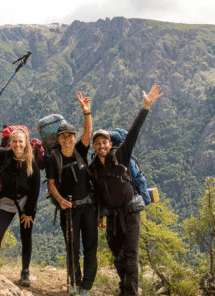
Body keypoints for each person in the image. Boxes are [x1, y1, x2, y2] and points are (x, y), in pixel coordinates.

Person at [89, 85, 163, 296]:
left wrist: (145, 108)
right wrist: (100, 215)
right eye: (98, 143)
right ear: (94, 147)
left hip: (130, 213)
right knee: (117, 255)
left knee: (131, 256)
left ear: (110, 144)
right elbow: (98, 193)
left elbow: (133, 133)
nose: (101, 145)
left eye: (105, 142)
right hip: (112, 216)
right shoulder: (93, 167)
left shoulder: (119, 156)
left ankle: (130, 293)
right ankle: (125, 289)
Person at [0, 108, 40, 286]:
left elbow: (35, 189)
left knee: (25, 236)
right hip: (6, 201)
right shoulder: (4, 155)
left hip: (26, 202)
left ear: (26, 142)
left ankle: (25, 273)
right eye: (14, 141)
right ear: (10, 143)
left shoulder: (32, 162)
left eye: (20, 141)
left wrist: (28, 212)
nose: (17, 145)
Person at [46, 92, 97, 296]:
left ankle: (86, 286)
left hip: (88, 207)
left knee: (91, 248)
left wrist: (87, 113)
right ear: (58, 139)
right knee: (73, 249)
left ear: (74, 138)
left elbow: (88, 132)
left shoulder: (80, 151)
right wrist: (59, 200)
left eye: (70, 136)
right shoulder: (53, 158)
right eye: (63, 136)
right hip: (69, 209)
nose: (67, 139)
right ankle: (75, 284)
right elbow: (50, 184)